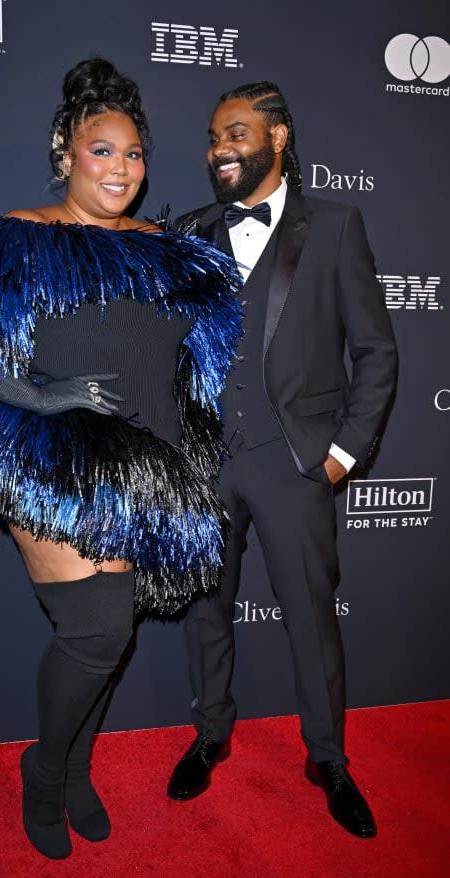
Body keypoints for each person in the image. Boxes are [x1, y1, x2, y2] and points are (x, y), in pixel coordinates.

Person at [0, 58, 242, 860]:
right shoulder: (19, 236)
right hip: (49, 457)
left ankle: (76, 765)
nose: (121, 168)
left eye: (134, 153)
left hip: (147, 465)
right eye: (101, 151)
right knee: (97, 629)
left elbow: (198, 362)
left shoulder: (170, 249)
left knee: (108, 638)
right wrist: (44, 399)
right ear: (67, 153)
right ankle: (45, 773)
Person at [167, 81, 397, 839]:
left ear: (278, 137)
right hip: (206, 464)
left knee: (310, 621)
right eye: (211, 137)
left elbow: (375, 351)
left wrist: (341, 456)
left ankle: (327, 758)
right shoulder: (190, 231)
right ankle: (211, 733)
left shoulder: (334, 225)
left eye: (236, 132)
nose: (220, 149)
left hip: (294, 463)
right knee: (207, 612)